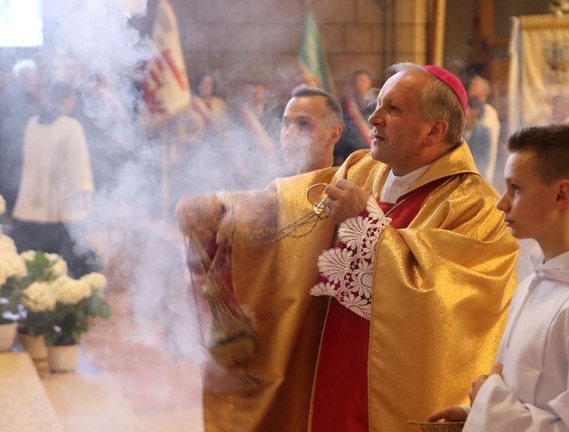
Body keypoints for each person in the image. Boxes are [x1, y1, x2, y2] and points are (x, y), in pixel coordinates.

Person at [176, 62, 519, 432]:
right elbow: (294, 210)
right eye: (378, 104)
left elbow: (451, 305)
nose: (374, 117)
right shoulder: (363, 168)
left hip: (395, 395)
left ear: (434, 131)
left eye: (393, 109)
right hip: (330, 367)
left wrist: (367, 223)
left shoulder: (476, 206)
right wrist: (224, 213)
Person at [429, 122, 569, 431]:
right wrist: (475, 413)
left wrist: (490, 406)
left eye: (516, 189)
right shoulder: (532, 286)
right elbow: (528, 398)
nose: (501, 203)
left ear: (562, 194)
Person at [11, 82, 102, 278]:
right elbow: (78, 165)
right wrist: (84, 191)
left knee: (33, 263)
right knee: (66, 262)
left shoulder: (33, 123)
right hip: (60, 206)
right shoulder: (71, 126)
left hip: (31, 203)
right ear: (68, 100)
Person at [0, 59, 42, 214]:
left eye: (32, 76)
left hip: (23, 166)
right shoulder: (12, 99)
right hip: (13, 166)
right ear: (18, 78)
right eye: (26, 76)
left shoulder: (32, 96)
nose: (31, 80)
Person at [280, 86, 343, 175]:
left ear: (334, 134)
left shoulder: (349, 184)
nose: (289, 133)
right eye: (286, 124)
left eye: (303, 124)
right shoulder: (273, 185)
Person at [334, 69, 377, 165]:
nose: (359, 84)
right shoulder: (346, 104)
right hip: (349, 150)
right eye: (356, 81)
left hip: (370, 149)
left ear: (370, 82)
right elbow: (342, 127)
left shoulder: (376, 104)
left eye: (363, 81)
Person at [467, 75, 501, 182]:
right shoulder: (465, 110)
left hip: (481, 167)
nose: (471, 90)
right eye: (471, 87)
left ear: (484, 92)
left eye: (475, 86)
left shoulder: (489, 112)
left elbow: (487, 139)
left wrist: (474, 121)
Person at [465, 96, 493, 180]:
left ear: (476, 111)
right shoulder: (458, 130)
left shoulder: (484, 132)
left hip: (478, 177)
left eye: (468, 109)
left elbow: (484, 160)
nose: (465, 112)